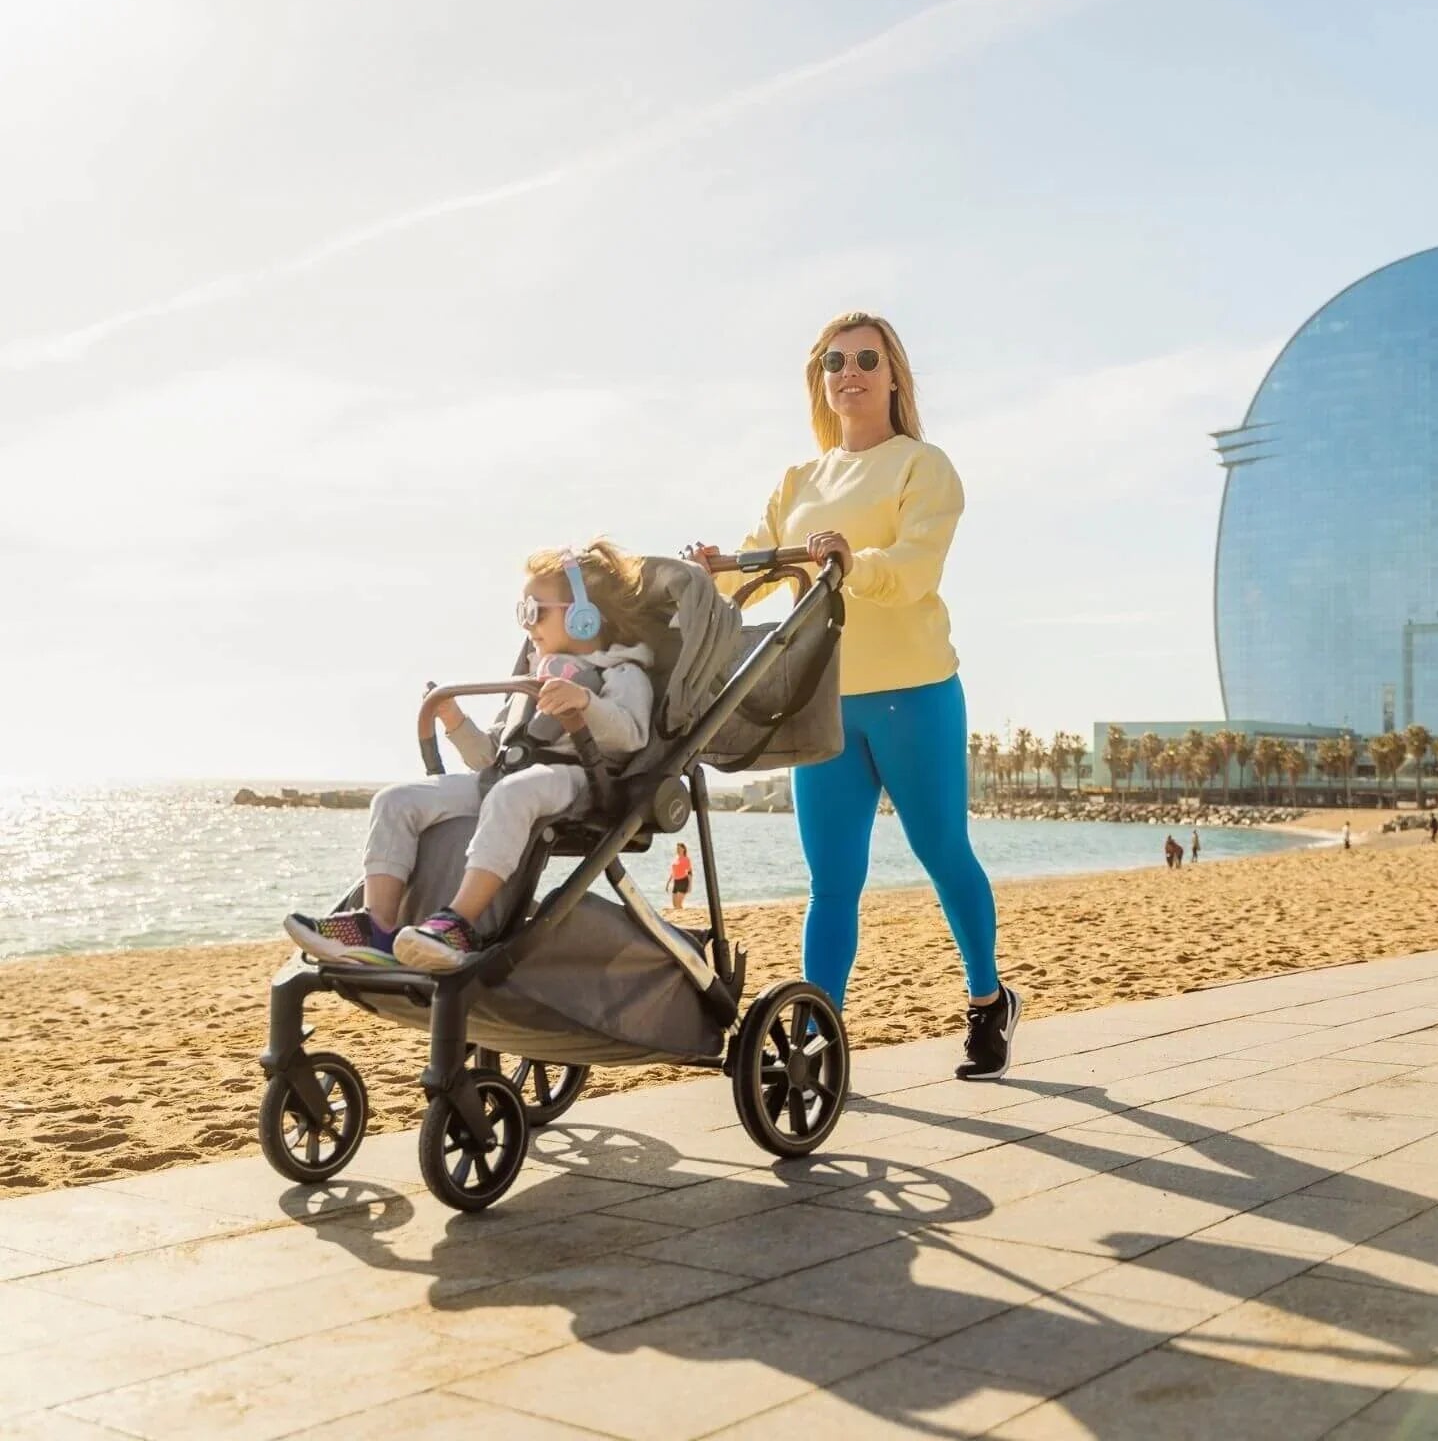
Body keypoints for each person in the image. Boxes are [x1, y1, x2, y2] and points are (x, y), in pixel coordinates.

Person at [691, 310, 1019, 1082]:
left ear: (894, 374)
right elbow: (754, 569)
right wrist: (716, 568)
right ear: (821, 380)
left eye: (868, 359)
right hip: (824, 697)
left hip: (914, 693)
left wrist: (850, 560)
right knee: (831, 881)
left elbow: (914, 569)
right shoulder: (798, 481)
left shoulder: (923, 465)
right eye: (835, 362)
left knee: (942, 852)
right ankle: (817, 1038)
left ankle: (986, 1001)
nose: (852, 373)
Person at [284, 541, 656, 971]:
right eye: (522, 613)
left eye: (536, 611)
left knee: (513, 792)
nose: (527, 623)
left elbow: (631, 735)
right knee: (395, 800)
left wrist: (586, 703)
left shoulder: (624, 672)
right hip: (511, 778)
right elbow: (487, 757)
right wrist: (455, 721)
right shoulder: (534, 679)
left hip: (577, 780)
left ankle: (460, 922)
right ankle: (378, 926)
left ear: (584, 615)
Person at [666, 841, 693, 906]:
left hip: (683, 881)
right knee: (674, 905)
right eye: (677, 849)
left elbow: (690, 873)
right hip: (676, 882)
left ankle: (684, 915)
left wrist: (690, 886)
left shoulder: (686, 859)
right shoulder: (676, 859)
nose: (678, 850)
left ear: (683, 849)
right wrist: (668, 883)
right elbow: (673, 872)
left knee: (678, 904)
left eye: (679, 848)